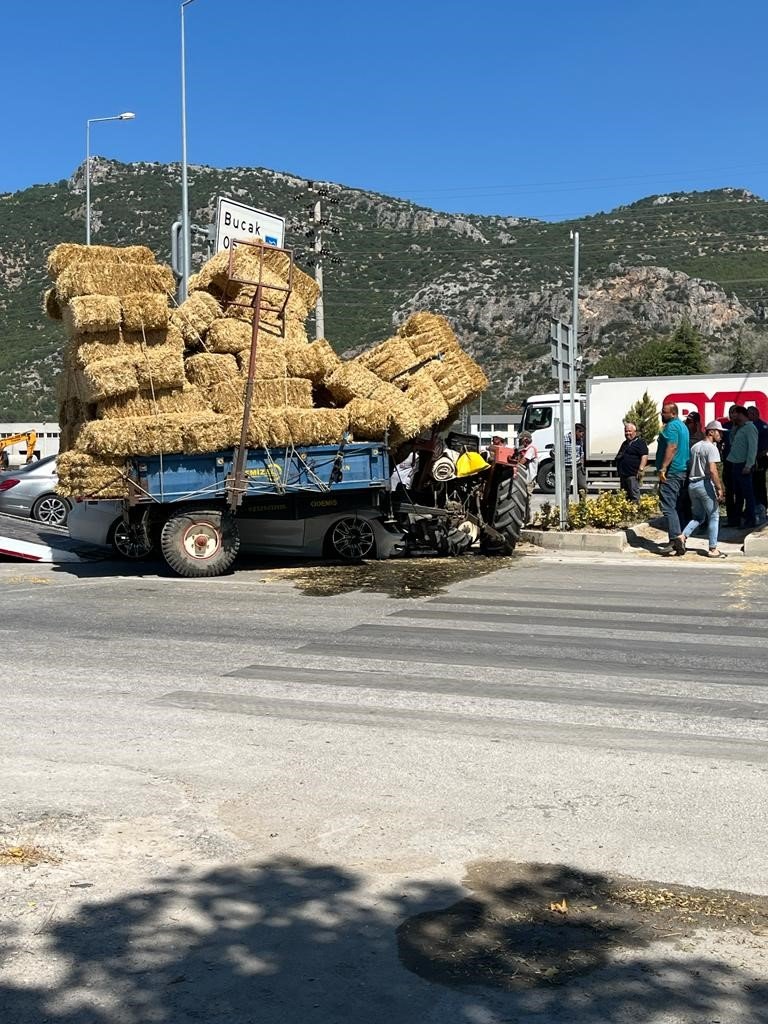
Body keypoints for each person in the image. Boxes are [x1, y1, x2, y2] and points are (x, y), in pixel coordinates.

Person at [667, 421, 725, 558]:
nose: (721, 434)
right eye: (719, 431)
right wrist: (719, 488)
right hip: (705, 484)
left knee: (698, 517)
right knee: (714, 516)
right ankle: (712, 548)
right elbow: (713, 471)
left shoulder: (695, 447)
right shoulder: (711, 448)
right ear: (711, 432)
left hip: (693, 485)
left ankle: (682, 536)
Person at [655, 402, 691, 555]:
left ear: (673, 413)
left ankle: (676, 538)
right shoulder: (683, 426)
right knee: (676, 506)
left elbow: (672, 447)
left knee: (668, 506)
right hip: (681, 471)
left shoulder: (672, 426)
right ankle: (676, 539)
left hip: (672, 471)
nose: (662, 414)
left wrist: (663, 467)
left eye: (664, 412)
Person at [726, 405, 758, 528]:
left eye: (734, 413)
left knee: (748, 494)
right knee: (737, 495)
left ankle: (751, 520)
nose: (732, 416)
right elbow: (732, 441)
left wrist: (749, 465)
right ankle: (736, 519)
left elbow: (752, 448)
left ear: (740, 414)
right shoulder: (739, 428)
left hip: (744, 465)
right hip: (735, 463)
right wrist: (734, 426)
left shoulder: (750, 428)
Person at [614, 421, 648, 501]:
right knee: (624, 496)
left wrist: (641, 469)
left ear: (635, 432)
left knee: (634, 496)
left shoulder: (640, 442)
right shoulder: (625, 443)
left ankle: (635, 512)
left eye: (629, 431)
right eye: (626, 431)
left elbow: (644, 456)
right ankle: (627, 512)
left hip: (633, 474)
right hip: (623, 474)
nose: (627, 433)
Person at [747, 407, 768, 521]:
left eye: (751, 413)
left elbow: (765, 447)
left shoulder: (763, 426)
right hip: (749, 459)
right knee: (751, 485)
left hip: (760, 459)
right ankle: (753, 508)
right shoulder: (746, 426)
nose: (750, 415)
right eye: (748, 413)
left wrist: (756, 458)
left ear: (757, 413)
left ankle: (763, 507)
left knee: (759, 484)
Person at [564, 423, 587, 497]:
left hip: (578, 466)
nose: (582, 434)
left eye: (583, 432)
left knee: (583, 488)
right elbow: (556, 452)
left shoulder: (580, 440)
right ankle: (565, 508)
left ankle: (582, 507)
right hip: (567, 467)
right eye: (580, 432)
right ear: (575, 431)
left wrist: (582, 465)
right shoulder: (564, 439)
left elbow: (581, 453)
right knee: (566, 489)